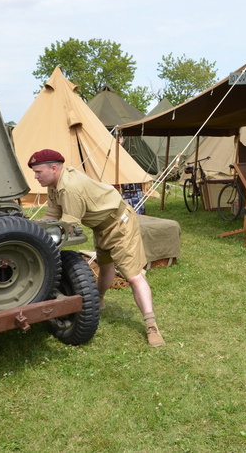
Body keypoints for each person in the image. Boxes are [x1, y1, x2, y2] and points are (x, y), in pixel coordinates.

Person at [28, 149, 164, 347]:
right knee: (105, 266)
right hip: (101, 226)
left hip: (119, 223)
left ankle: (151, 325)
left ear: (54, 168)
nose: (35, 176)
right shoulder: (54, 185)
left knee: (133, 275)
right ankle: (99, 300)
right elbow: (51, 216)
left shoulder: (69, 188)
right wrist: (31, 228)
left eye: (38, 172)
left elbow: (68, 226)